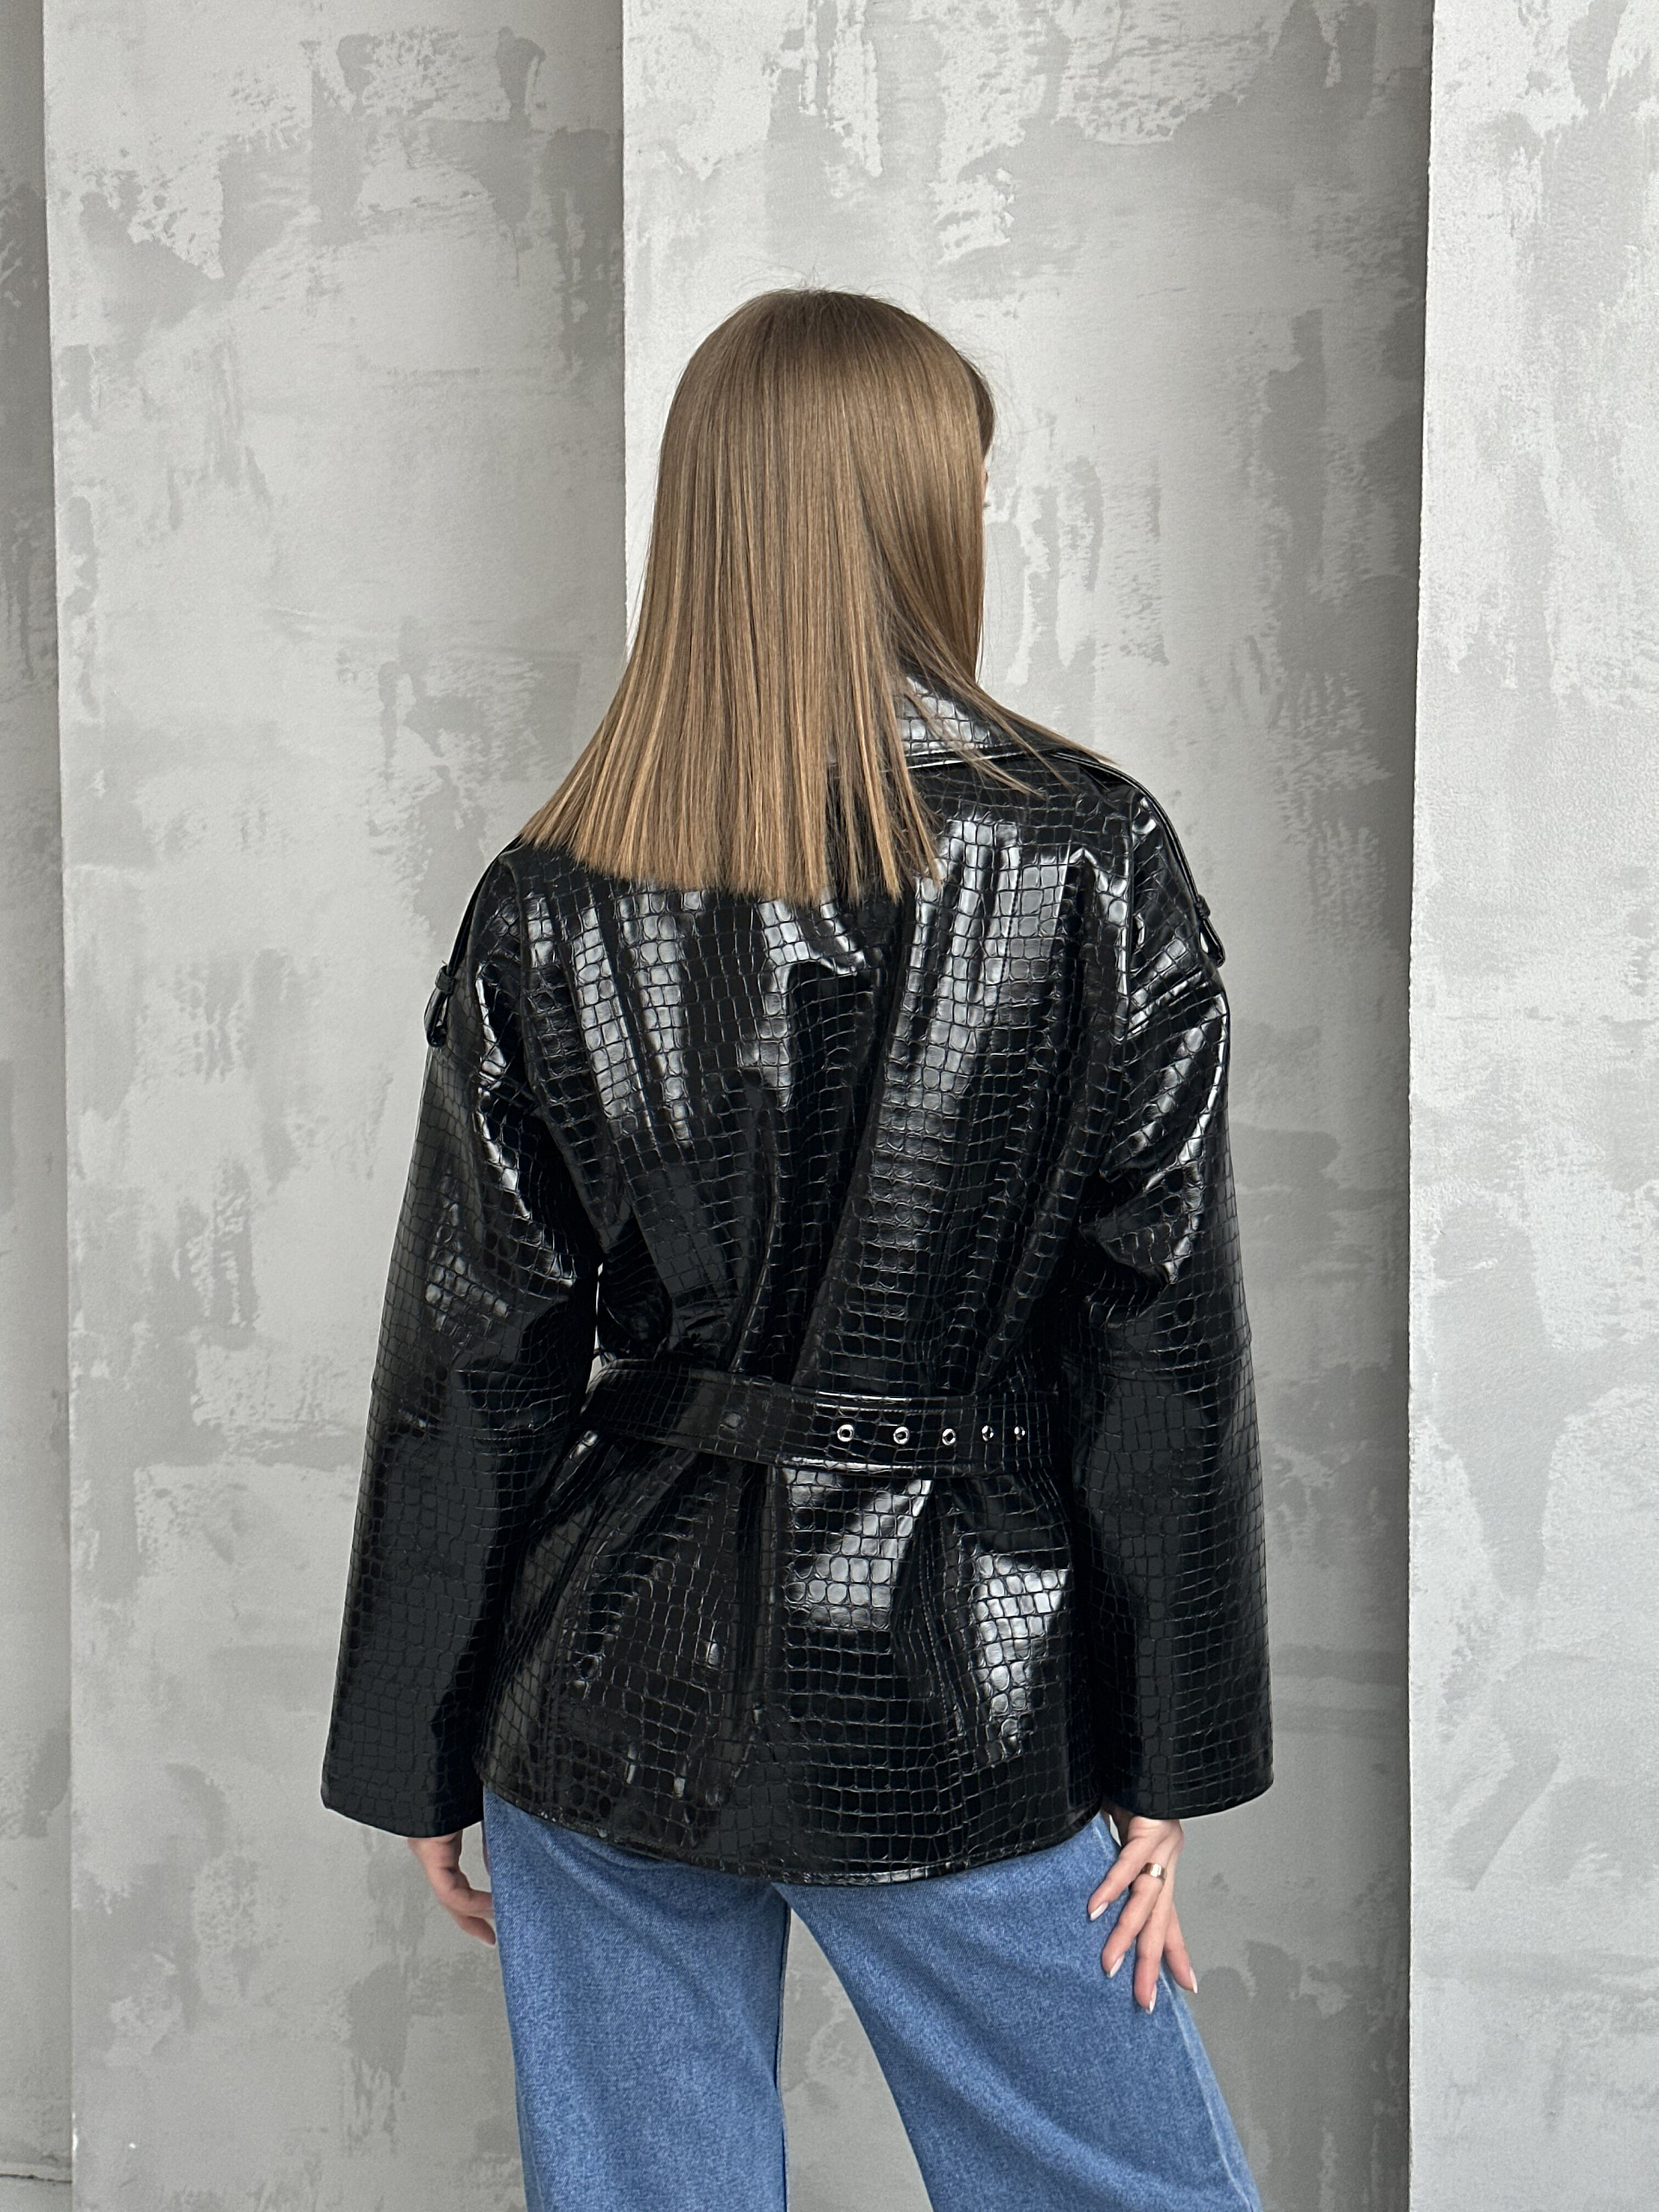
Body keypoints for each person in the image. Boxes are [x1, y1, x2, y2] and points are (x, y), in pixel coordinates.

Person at [321, 286, 1272, 2212]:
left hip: (602, 1679)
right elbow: (1158, 1342)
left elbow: (472, 1351)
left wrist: (421, 1743)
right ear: (922, 510)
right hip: (964, 1688)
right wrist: (1163, 1757)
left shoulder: (549, 892)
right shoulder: (1093, 860)